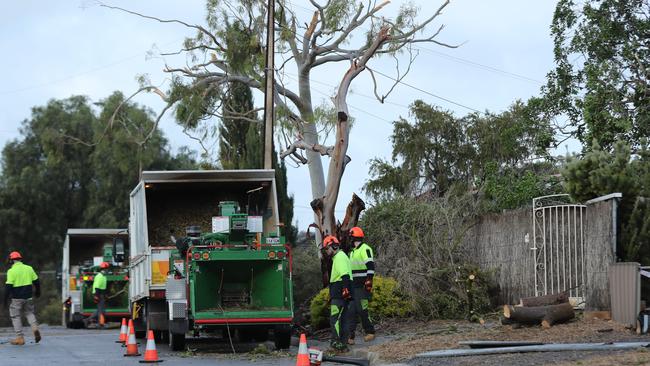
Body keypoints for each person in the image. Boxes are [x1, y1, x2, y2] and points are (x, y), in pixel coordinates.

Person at [3, 251, 41, 345]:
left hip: (17, 298)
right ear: (20, 259)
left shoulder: (11, 271)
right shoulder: (29, 268)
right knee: (29, 313)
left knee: (15, 316)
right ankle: (35, 329)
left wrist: (4, 301)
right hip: (28, 297)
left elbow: (8, 287)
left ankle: (20, 338)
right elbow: (36, 281)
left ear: (11, 261)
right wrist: (38, 292)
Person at [323, 235, 352, 352]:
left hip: (339, 295)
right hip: (340, 293)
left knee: (335, 319)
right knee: (344, 319)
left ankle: (337, 343)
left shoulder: (339, 257)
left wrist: (344, 290)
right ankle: (343, 345)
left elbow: (345, 275)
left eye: (327, 248)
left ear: (333, 246)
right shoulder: (340, 257)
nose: (326, 251)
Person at [347, 226, 376, 344]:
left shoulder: (365, 249)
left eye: (350, 237)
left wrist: (369, 280)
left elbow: (370, 266)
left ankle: (370, 332)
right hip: (354, 286)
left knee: (362, 309)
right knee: (351, 311)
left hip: (363, 286)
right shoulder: (352, 252)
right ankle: (350, 336)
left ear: (353, 237)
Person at [86, 261, 109, 328]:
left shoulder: (104, 277)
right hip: (98, 294)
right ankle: (100, 324)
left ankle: (87, 320)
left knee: (100, 310)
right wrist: (96, 296)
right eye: (106, 269)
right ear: (103, 269)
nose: (107, 270)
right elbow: (97, 287)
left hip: (101, 295)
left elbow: (103, 288)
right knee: (101, 310)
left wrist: (106, 295)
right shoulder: (99, 277)